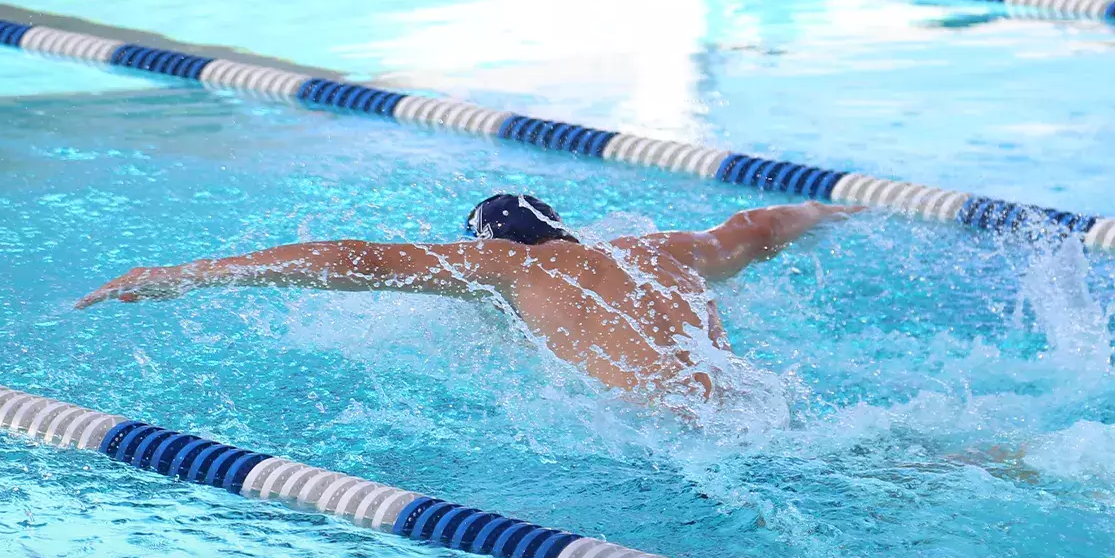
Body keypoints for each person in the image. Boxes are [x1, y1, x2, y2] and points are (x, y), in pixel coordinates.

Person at [75, 194, 862, 412]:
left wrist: (189, 271)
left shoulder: (512, 268)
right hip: (759, 403)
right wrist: (835, 212)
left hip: (670, 427)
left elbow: (361, 261)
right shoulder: (655, 249)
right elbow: (756, 227)